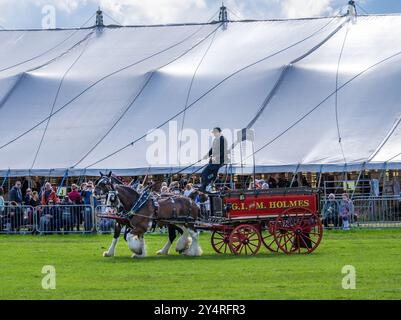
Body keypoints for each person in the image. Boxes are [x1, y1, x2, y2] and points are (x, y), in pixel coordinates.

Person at [200, 127, 229, 192]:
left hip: (220, 160)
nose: (214, 134)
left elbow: (223, 151)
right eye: (214, 133)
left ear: (219, 132)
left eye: (215, 132)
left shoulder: (222, 139)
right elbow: (212, 149)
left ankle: (206, 186)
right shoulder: (216, 139)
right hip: (214, 160)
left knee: (208, 172)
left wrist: (216, 157)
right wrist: (207, 155)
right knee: (204, 172)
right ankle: (204, 186)